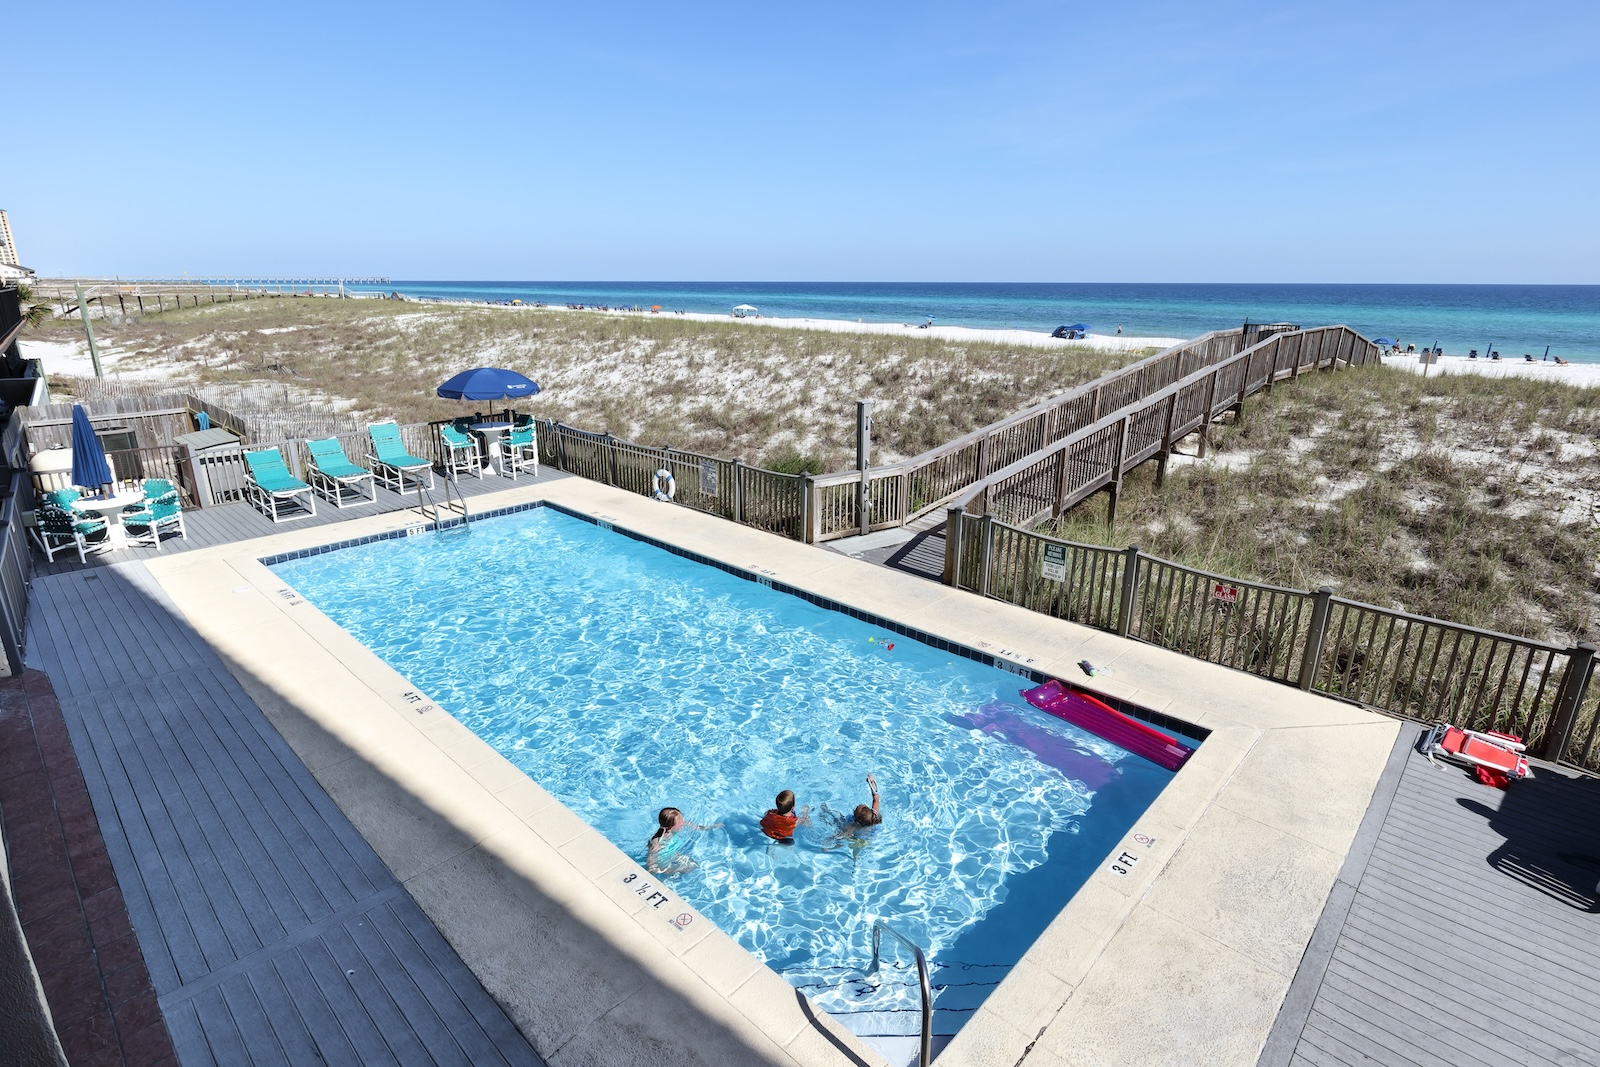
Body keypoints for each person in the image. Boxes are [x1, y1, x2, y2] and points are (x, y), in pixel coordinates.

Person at [646, 806, 720, 874]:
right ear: (670, 827)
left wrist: (709, 827)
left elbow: (693, 825)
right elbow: (650, 865)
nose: (683, 822)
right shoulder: (657, 842)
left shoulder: (676, 825)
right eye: (680, 823)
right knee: (685, 870)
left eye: (682, 819)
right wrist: (669, 871)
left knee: (693, 865)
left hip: (674, 853)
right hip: (664, 859)